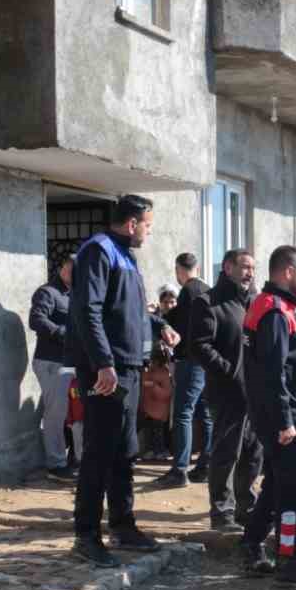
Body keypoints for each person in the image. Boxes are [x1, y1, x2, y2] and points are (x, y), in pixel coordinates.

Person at [66, 195, 178, 566]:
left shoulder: (126, 256)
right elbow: (88, 310)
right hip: (107, 372)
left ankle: (123, 524)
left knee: (123, 451)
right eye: (147, 225)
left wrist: (160, 328)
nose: (149, 231)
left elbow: (130, 312)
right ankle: (86, 535)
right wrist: (103, 363)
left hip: (129, 368)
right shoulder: (99, 251)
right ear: (132, 224)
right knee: (99, 451)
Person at [240, 245, 296, 589]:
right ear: (288, 272)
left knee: (277, 482)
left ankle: (251, 543)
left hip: (280, 415)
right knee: (292, 491)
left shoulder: (274, 307)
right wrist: (285, 421)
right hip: (282, 419)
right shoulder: (274, 312)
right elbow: (272, 374)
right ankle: (288, 560)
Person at [191, 248, 262, 531]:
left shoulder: (255, 303)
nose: (250, 273)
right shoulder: (208, 303)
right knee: (226, 454)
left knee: (253, 454)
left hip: (256, 394)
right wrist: (230, 373)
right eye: (245, 267)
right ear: (228, 268)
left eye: (252, 268)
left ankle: (247, 508)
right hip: (227, 392)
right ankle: (222, 514)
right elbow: (199, 346)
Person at [160, 253, 213, 488]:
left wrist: (161, 317)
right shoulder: (208, 289)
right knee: (205, 414)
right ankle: (205, 465)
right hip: (206, 361)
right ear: (198, 267)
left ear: (179, 270)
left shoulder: (188, 292)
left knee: (183, 413)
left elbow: (179, 324)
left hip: (190, 361)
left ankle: (180, 469)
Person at [29, 255, 75, 479]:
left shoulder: (74, 294)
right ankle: (56, 465)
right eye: (72, 268)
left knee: (67, 412)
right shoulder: (48, 292)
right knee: (55, 414)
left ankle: (68, 458)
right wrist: (62, 333)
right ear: (63, 268)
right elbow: (36, 319)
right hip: (51, 361)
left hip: (67, 362)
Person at [139, 348, 174, 459]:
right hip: (150, 408)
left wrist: (154, 386)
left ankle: (160, 450)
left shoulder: (164, 372)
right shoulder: (149, 371)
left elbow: (166, 393)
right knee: (151, 431)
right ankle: (152, 450)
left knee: (158, 431)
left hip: (159, 410)